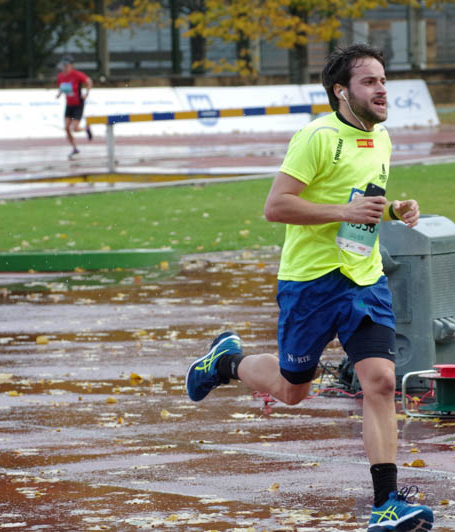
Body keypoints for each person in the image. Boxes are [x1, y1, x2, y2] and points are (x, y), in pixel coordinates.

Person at [185, 43, 434, 532]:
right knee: (292, 390)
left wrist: (392, 209)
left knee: (381, 382)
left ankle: (385, 503)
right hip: (311, 283)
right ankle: (226, 362)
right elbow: (276, 206)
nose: (382, 90)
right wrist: (344, 212)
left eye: (384, 80)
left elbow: (359, 202)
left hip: (364, 278)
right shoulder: (317, 137)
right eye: (369, 82)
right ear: (341, 91)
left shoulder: (381, 139)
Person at [56, 55, 93, 159]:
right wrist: (59, 94)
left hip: (78, 104)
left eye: (67, 66)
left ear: (71, 66)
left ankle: (86, 128)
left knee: (75, 128)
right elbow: (62, 87)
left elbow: (89, 81)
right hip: (69, 105)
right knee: (66, 128)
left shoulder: (77, 75)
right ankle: (74, 148)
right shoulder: (60, 76)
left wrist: (86, 93)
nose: (65, 68)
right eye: (63, 66)